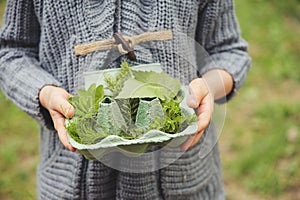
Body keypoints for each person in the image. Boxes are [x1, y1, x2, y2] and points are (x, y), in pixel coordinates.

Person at [0, 0, 251, 199]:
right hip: (73, 184)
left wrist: (208, 86)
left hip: (180, 182)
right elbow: (12, 52)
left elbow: (228, 50)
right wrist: (45, 92)